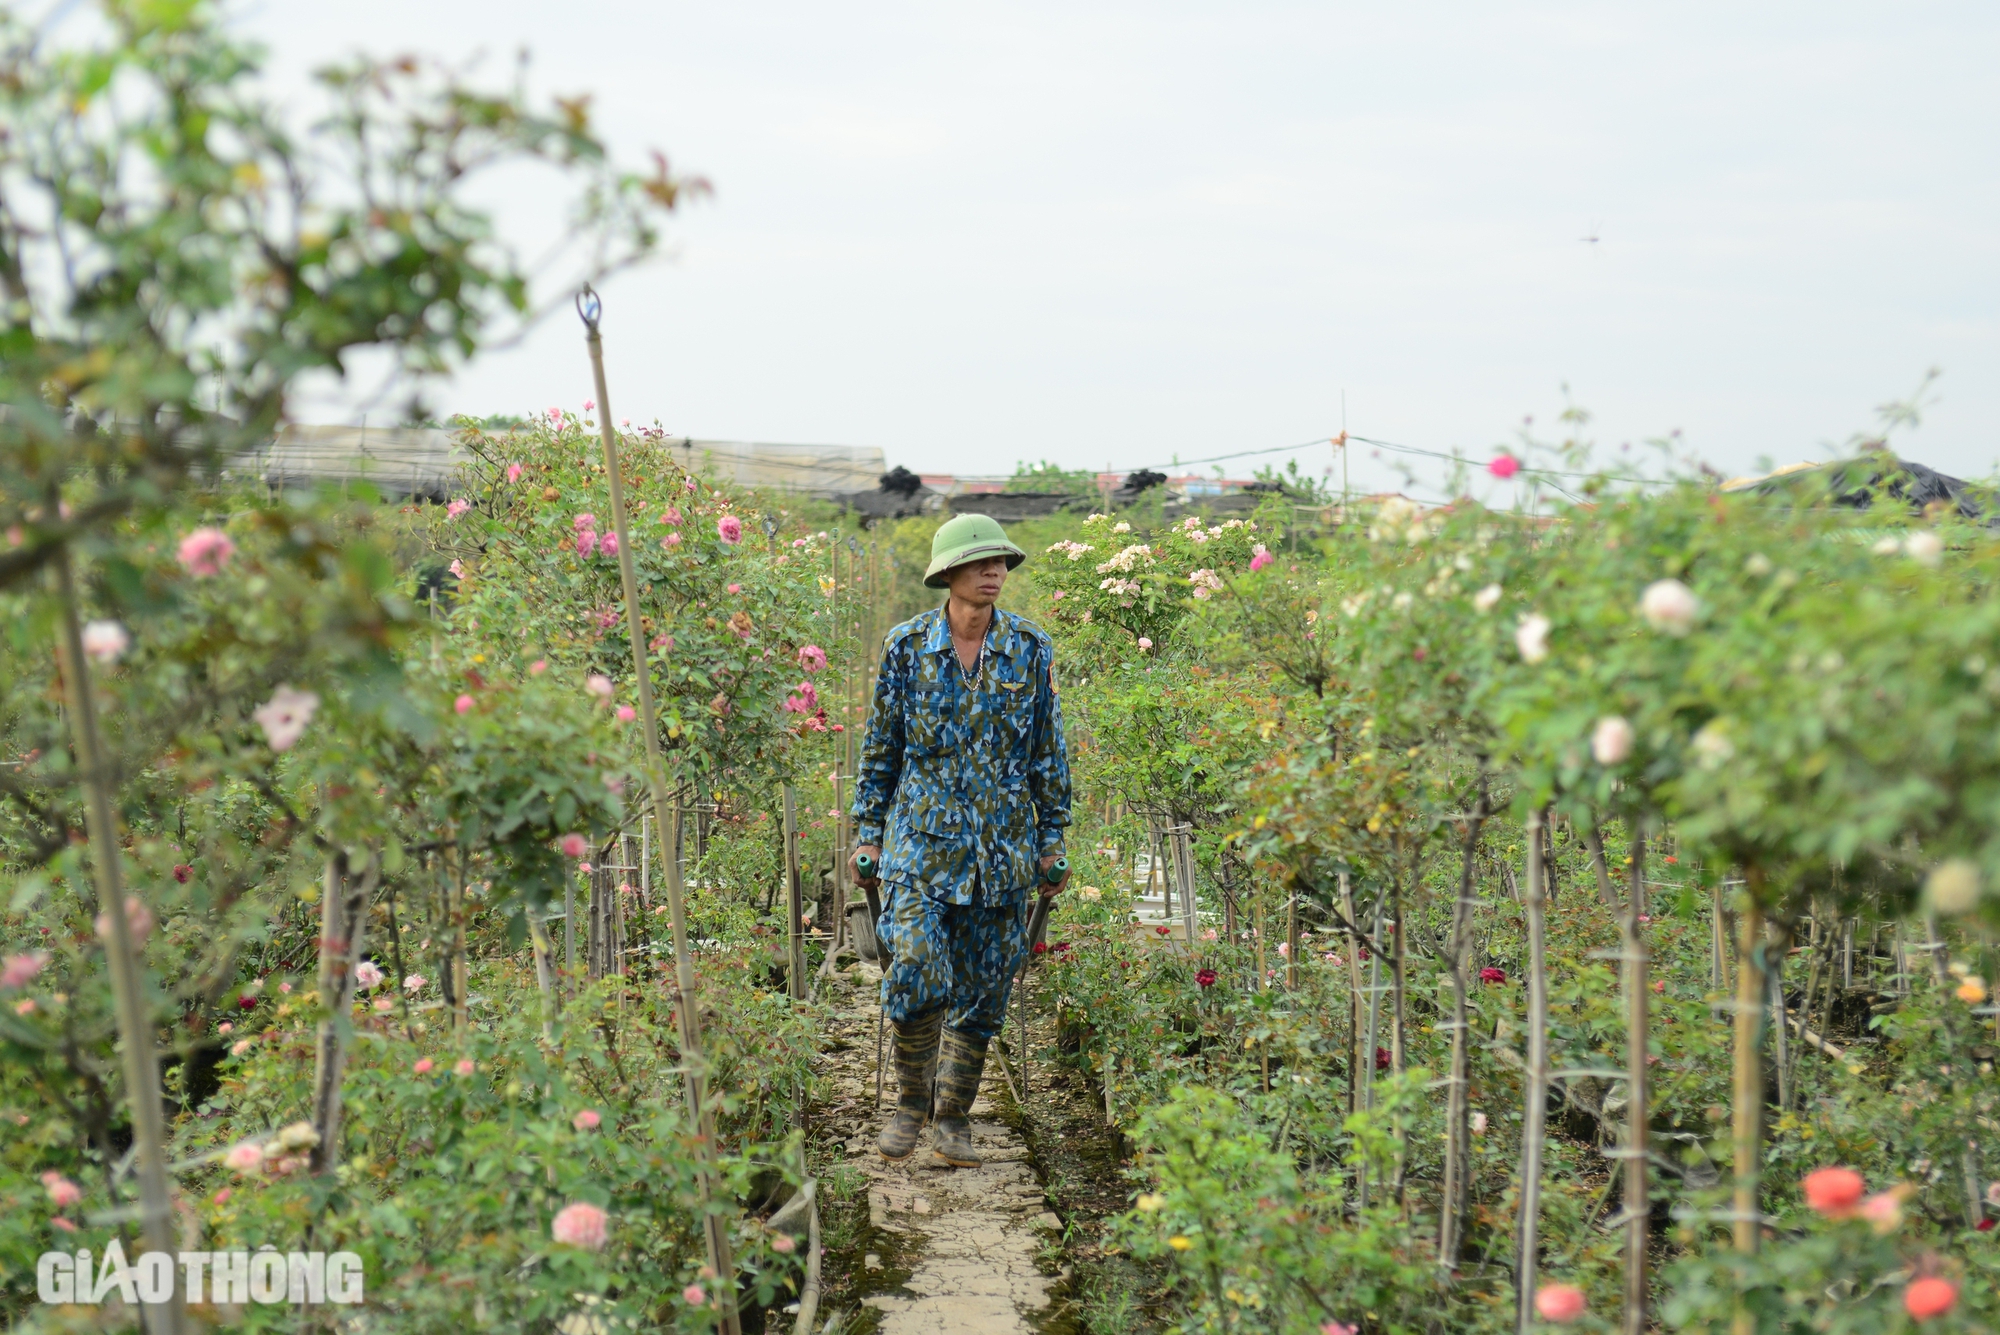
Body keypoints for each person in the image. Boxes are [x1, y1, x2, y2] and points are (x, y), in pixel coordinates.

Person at [850, 512, 1071, 1167]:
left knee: (982, 992)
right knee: (916, 969)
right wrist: (868, 832)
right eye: (981, 562)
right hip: (920, 843)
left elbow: (1047, 753)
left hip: (1001, 853)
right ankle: (910, 1104)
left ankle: (953, 1118)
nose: (995, 571)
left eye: (1001, 561)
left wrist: (1052, 839)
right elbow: (881, 745)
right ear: (948, 573)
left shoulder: (1031, 649)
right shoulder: (906, 647)